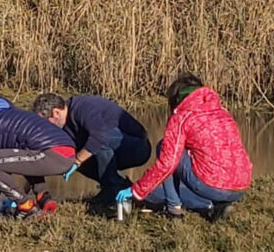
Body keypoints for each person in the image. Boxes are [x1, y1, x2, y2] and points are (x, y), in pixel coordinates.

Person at [116, 72, 252, 222]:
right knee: (210, 157)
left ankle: (174, 210)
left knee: (164, 148)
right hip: (241, 187)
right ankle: (223, 205)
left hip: (214, 187)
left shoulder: (182, 117)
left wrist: (136, 190)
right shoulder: (223, 113)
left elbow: (167, 164)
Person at [0, 96, 75, 221]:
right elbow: (2, 170)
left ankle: (25, 205)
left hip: (54, 154)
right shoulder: (2, 117)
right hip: (65, 150)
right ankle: (44, 198)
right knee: (24, 160)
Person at [32, 93, 151, 202]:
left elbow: (100, 137)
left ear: (56, 113)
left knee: (96, 143)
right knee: (74, 154)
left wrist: (77, 161)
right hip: (113, 147)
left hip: (138, 146)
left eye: (47, 123)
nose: (47, 128)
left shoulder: (83, 108)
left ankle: (111, 188)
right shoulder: (64, 125)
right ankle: (118, 184)